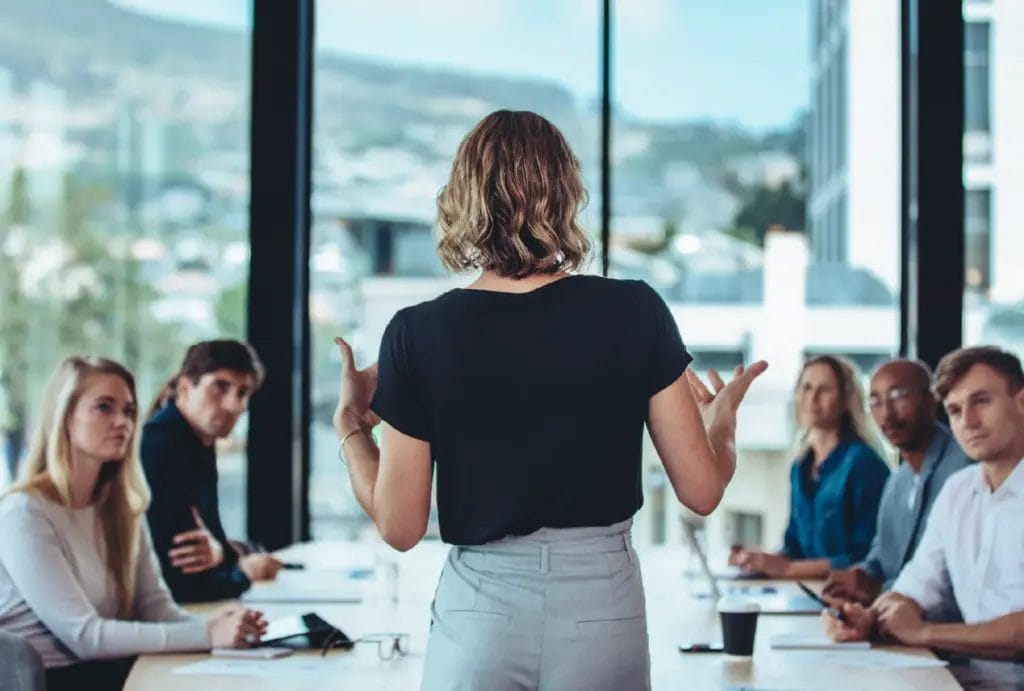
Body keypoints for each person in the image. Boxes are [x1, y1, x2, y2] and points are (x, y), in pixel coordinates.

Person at [332, 110, 767, 691]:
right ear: (565, 195)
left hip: (480, 611)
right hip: (601, 602)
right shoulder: (635, 310)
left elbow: (401, 525)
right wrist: (722, 424)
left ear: (462, 197)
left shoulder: (418, 332)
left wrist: (351, 429)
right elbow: (703, 491)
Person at [0, 357, 265, 691]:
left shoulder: (121, 508)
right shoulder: (24, 513)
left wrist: (223, 628)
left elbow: (156, 608)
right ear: (65, 415)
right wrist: (207, 633)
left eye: (128, 410)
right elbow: (84, 635)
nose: (122, 422)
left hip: (110, 673)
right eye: (104, 408)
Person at [825, 346, 1024, 662]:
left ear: (1021, 402)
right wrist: (870, 618)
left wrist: (925, 633)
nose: (968, 422)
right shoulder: (958, 490)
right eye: (956, 410)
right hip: (973, 677)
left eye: (982, 402)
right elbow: (916, 586)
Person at [142, 341, 282, 603]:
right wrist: (245, 572)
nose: (233, 405)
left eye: (243, 392)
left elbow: (212, 544)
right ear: (185, 387)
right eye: (220, 386)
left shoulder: (197, 442)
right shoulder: (162, 447)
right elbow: (183, 581)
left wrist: (224, 554)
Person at [822, 359, 970, 606]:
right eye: (876, 401)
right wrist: (859, 577)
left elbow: (949, 578)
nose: (887, 414)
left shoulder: (964, 468)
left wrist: (878, 591)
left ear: (931, 399)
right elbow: (879, 559)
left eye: (899, 396)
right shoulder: (897, 482)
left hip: (937, 627)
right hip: (893, 619)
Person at [730, 355, 891, 579]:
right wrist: (760, 561)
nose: (812, 398)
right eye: (806, 388)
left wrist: (788, 570)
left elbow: (865, 558)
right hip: (804, 594)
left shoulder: (864, 464)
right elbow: (793, 547)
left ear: (846, 400)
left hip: (848, 599)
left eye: (824, 390)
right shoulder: (800, 467)